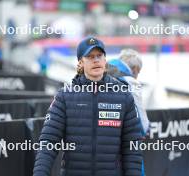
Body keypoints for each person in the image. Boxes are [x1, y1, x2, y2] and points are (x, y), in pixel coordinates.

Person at [33, 37, 143, 176]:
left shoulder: (124, 96)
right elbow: (48, 142)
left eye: (99, 56)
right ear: (81, 62)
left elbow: (132, 147)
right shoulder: (65, 96)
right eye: (90, 57)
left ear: (105, 60)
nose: (96, 60)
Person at [107, 49, 150, 176]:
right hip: (123, 142)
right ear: (135, 69)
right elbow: (143, 125)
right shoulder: (131, 82)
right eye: (139, 72)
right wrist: (146, 130)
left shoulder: (98, 71)